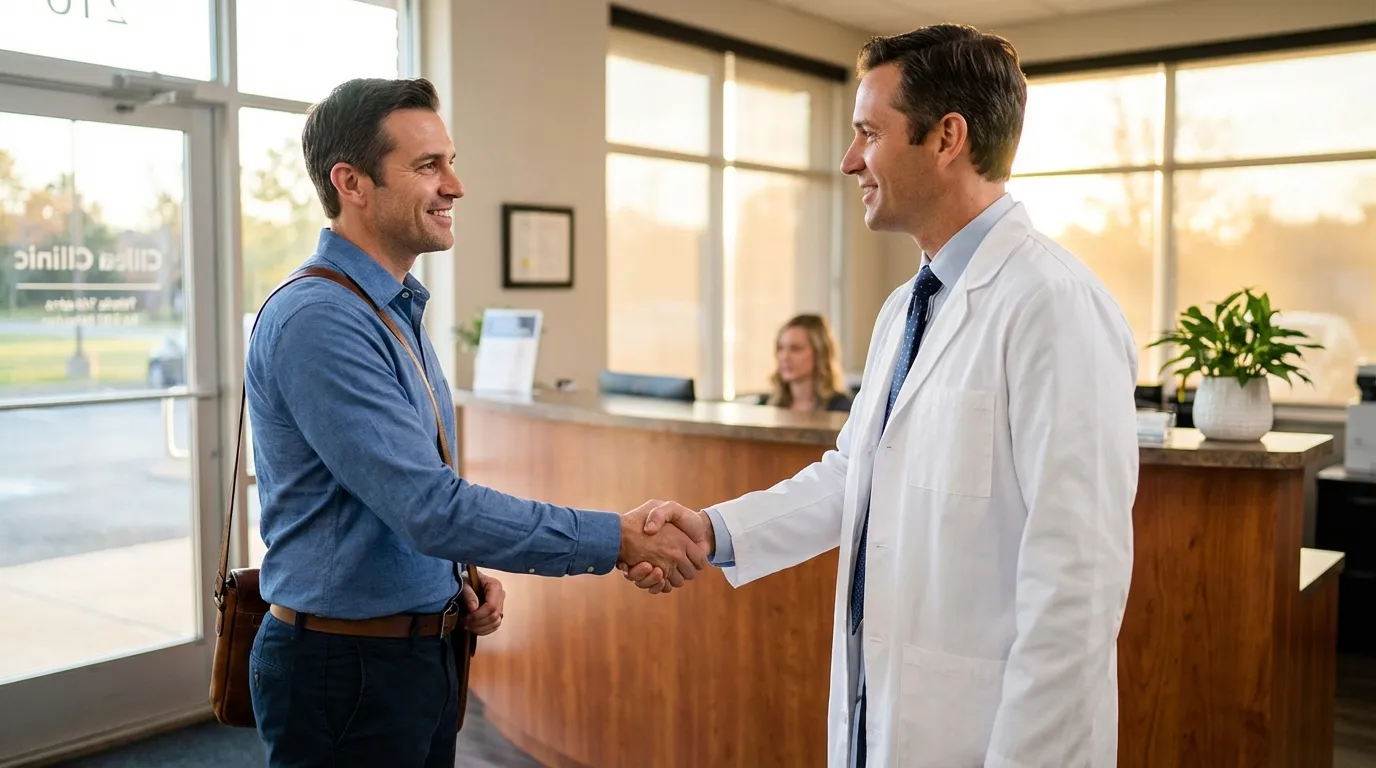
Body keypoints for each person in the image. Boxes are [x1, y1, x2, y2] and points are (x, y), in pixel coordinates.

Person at [623, 24, 1139, 767]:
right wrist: (712, 531)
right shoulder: (906, 307)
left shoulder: (1052, 304)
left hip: (995, 735)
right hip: (886, 716)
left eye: (868, 132)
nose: (848, 160)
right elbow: (853, 476)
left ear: (947, 137)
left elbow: (1078, 585)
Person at [245, 77, 708, 768]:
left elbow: (406, 492)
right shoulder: (321, 319)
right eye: (428, 166)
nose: (455, 185)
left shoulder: (390, 306)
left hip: (414, 655)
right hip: (346, 672)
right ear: (353, 182)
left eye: (450, 161)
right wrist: (616, 539)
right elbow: (428, 506)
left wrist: (450, 581)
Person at [760, 314, 853, 413]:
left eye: (796, 349)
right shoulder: (765, 405)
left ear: (819, 354)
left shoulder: (842, 408)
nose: (784, 357)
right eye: (781, 348)